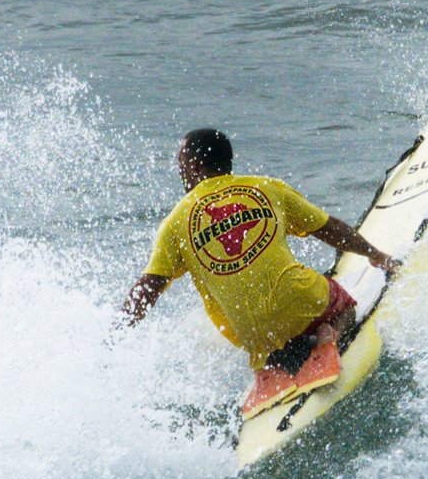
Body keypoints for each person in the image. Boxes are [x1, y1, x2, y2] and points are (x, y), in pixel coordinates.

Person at [121, 128, 399, 407]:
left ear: (193, 165)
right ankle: (329, 337)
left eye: (181, 163)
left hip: (250, 333)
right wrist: (376, 255)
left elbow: (148, 288)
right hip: (301, 301)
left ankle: (269, 367)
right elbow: (328, 229)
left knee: (258, 322)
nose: (180, 170)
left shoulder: (175, 223)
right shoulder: (266, 188)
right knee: (346, 305)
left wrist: (118, 334)